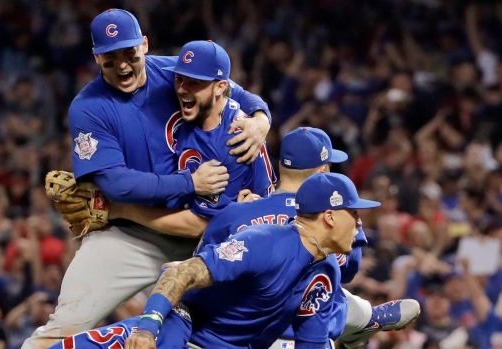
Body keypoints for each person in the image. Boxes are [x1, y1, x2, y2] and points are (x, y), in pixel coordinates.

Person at [22, 8, 272, 349]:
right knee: (63, 327)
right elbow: (116, 185)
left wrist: (261, 119)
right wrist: (190, 183)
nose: (123, 66)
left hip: (201, 233)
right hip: (131, 236)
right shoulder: (89, 107)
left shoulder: (173, 72)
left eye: (130, 54)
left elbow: (232, 91)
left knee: (247, 322)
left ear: (144, 44)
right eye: (111, 59)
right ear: (97, 57)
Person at [47, 172, 381, 349]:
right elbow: (181, 274)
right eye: (354, 212)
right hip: (181, 329)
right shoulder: (264, 242)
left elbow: (311, 342)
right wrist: (148, 329)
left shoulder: (326, 272)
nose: (360, 221)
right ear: (330, 217)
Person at [196, 127, 421, 349]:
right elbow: (349, 271)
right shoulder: (336, 218)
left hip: (235, 337)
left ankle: (363, 319)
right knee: (321, 281)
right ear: (323, 170)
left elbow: (199, 273)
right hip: (306, 337)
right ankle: (364, 319)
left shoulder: (234, 213)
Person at [106, 40, 275, 234]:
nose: (181, 88)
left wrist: (121, 210)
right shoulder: (206, 113)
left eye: (194, 82)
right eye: (179, 78)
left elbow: (199, 226)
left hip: (238, 243)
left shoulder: (232, 142)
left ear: (220, 87)